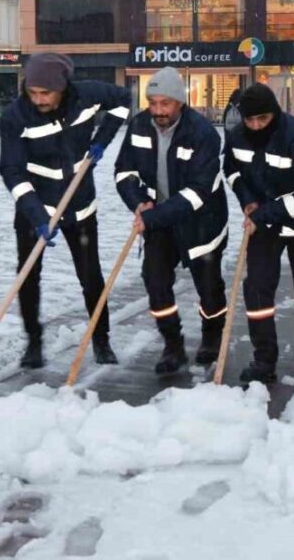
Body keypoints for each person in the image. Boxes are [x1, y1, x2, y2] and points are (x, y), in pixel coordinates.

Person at [0, 53, 132, 369]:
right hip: (35, 207)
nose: (39, 100)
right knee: (28, 276)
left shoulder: (86, 96)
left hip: (80, 205)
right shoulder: (16, 117)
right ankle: (33, 344)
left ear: (61, 87)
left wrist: (102, 140)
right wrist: (37, 215)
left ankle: (101, 339)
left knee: (90, 275)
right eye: (33, 92)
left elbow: (123, 100)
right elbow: (11, 170)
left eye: (46, 93)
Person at [114, 67, 228, 374]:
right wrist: (138, 201)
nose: (158, 111)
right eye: (152, 103)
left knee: (209, 286)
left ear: (180, 102)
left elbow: (198, 192)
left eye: (165, 103)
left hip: (201, 222)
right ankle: (172, 344)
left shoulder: (202, 133)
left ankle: (212, 337)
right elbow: (124, 171)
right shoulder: (139, 125)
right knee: (155, 281)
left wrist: (153, 217)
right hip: (160, 221)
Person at [222, 83, 294, 385]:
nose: (256, 126)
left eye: (263, 119)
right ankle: (264, 358)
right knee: (257, 286)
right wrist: (247, 200)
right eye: (250, 120)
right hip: (265, 221)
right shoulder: (236, 136)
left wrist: (261, 214)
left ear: (275, 113)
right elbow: (231, 170)